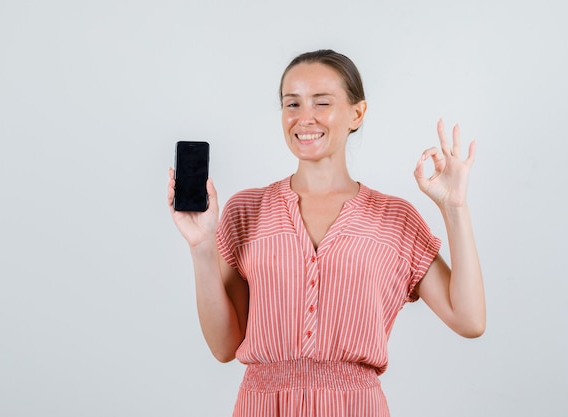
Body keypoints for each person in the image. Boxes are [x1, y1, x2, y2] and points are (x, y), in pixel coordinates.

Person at [167, 49, 485, 417]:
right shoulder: (247, 210)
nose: (305, 118)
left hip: (356, 406)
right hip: (261, 406)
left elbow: (470, 319)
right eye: (292, 104)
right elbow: (224, 347)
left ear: (357, 113)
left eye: (322, 103)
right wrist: (202, 246)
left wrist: (454, 208)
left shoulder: (394, 218)